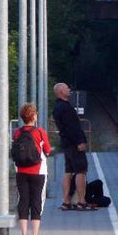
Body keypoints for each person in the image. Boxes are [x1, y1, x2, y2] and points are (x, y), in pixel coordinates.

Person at [14, 103, 52, 235]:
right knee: (37, 201)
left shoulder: (17, 132)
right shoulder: (40, 132)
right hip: (38, 172)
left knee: (23, 201)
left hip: (21, 171)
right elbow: (47, 150)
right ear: (34, 116)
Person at [51, 82, 89, 210]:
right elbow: (72, 127)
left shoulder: (57, 107)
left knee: (68, 171)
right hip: (74, 143)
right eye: (67, 88)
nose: (69, 90)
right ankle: (81, 201)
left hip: (66, 143)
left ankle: (66, 201)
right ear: (61, 92)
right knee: (81, 171)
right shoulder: (66, 108)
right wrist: (80, 141)